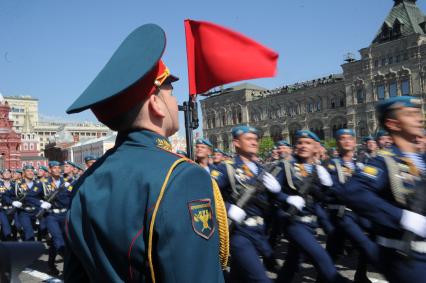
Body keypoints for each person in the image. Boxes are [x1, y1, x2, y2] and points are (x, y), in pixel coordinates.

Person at [64, 24, 227, 282]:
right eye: (170, 94)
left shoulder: (86, 181)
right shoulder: (182, 177)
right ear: (155, 104)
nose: (176, 102)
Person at [338, 96, 425, 283]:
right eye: (411, 114)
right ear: (393, 124)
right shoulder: (385, 161)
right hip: (408, 258)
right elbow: (354, 192)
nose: (420, 118)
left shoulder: (421, 160)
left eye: (418, 113)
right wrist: (403, 218)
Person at [274, 130, 350, 283]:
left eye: (308, 143)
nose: (303, 146)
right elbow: (271, 194)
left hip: (311, 223)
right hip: (294, 222)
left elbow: (324, 200)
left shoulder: (319, 170)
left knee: (291, 263)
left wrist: (327, 187)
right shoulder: (286, 167)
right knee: (322, 259)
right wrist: (286, 197)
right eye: (300, 143)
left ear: (316, 147)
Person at [213, 125, 282, 283]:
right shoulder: (227, 168)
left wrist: (278, 193)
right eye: (249, 139)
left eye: (255, 139)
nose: (254, 142)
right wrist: (228, 208)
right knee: (261, 279)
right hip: (239, 233)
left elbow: (270, 203)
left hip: (259, 233)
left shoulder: (262, 169)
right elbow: (205, 193)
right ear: (237, 143)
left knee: (238, 278)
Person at [325, 129, 377, 283]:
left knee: (365, 246)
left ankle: (360, 275)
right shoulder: (332, 165)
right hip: (339, 215)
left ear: (355, 142)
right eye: (342, 138)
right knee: (333, 252)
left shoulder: (360, 165)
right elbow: (334, 190)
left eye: (350, 138)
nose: (347, 141)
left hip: (357, 214)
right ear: (338, 142)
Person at [43, 161, 74, 276]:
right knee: (58, 239)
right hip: (51, 216)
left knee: (60, 242)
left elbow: (72, 197)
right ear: (50, 169)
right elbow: (31, 196)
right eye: (54, 168)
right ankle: (68, 266)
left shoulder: (67, 183)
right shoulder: (43, 183)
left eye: (58, 167)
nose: (57, 170)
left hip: (65, 215)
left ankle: (51, 265)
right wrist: (40, 202)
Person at [12, 165, 44, 241]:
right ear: (24, 173)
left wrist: (42, 202)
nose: (30, 173)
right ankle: (31, 249)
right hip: (24, 211)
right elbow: (13, 196)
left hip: (36, 211)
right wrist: (14, 202)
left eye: (32, 171)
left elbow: (43, 196)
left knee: (40, 229)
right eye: (28, 171)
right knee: (29, 231)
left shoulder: (39, 183)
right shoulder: (18, 184)